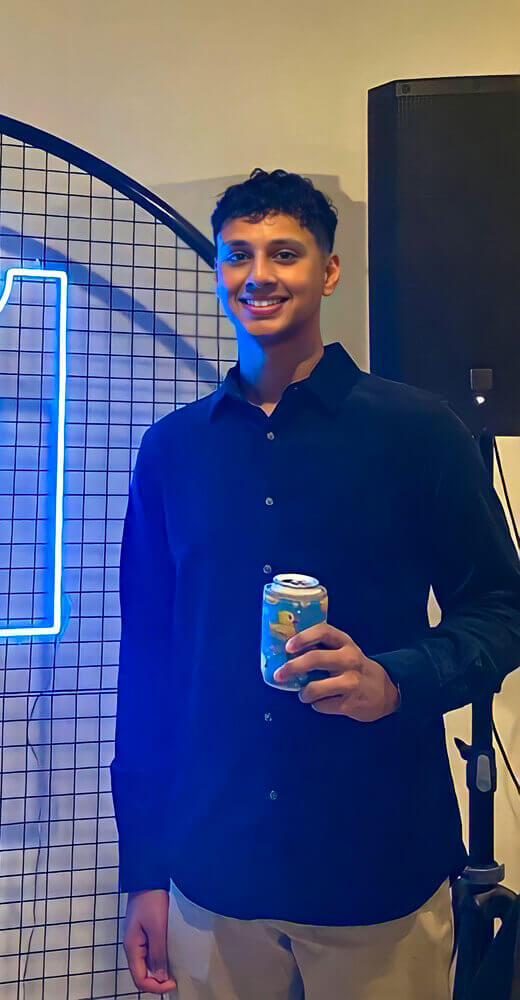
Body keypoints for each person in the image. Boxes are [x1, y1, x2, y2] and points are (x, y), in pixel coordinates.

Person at [111, 167, 520, 1000]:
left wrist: (394, 680)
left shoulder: (418, 432)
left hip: (376, 868)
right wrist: (143, 867)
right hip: (211, 873)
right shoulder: (172, 451)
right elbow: (149, 663)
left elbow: (502, 608)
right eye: (238, 254)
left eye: (285, 252)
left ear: (328, 271)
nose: (258, 274)